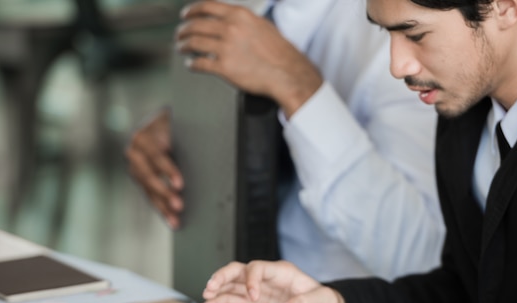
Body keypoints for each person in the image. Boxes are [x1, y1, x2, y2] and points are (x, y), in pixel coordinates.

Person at [182, 0, 517, 303]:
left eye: (416, 34)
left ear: (504, 7)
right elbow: (471, 299)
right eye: (386, 34)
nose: (398, 65)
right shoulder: (465, 114)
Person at [126, 0, 445, 282]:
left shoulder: (407, 30)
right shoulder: (230, 7)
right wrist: (187, 123)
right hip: (214, 292)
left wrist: (298, 87)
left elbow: (423, 262)